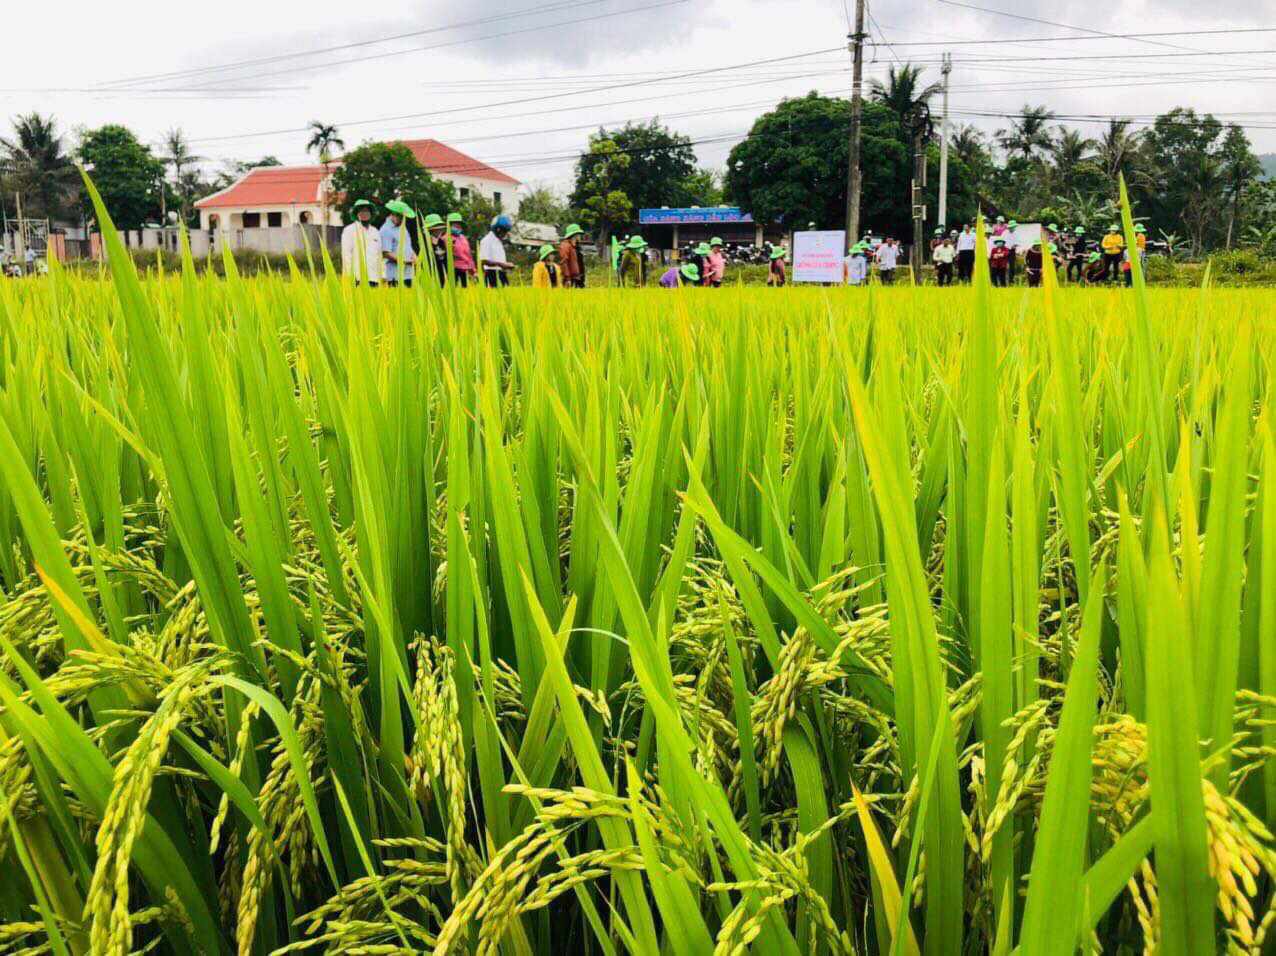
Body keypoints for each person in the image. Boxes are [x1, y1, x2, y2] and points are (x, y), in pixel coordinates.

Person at [341, 199, 382, 286]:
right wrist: (350, 274)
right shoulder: (349, 230)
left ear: (371, 213)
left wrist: (382, 275)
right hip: (357, 277)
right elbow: (346, 254)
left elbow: (379, 255)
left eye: (366, 211)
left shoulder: (375, 232)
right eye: (361, 211)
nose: (364, 214)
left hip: (373, 277)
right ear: (356, 214)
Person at [379, 200, 416, 288]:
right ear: (394, 214)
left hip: (409, 273)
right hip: (394, 275)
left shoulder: (403, 227)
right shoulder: (385, 230)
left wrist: (414, 255)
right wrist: (403, 260)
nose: (403, 220)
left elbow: (407, 245)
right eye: (401, 217)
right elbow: (385, 253)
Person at [479, 214, 516, 288]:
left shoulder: (498, 242)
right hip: (491, 274)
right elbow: (484, 260)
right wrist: (502, 264)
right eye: (504, 231)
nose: (505, 234)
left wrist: (506, 264)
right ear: (497, 229)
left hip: (501, 274)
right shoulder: (487, 240)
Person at [447, 213, 476, 287]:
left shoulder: (463, 238)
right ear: (449, 225)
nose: (458, 227)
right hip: (453, 268)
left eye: (459, 225)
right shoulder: (446, 238)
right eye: (455, 225)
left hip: (464, 269)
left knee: (464, 289)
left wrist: (473, 269)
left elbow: (469, 254)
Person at [420, 214, 449, 286]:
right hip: (430, 276)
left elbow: (445, 259)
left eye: (439, 229)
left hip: (442, 276)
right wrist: (434, 245)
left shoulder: (441, 242)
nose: (438, 231)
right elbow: (427, 260)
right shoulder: (423, 242)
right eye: (435, 230)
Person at [559, 223, 585, 288]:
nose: (579, 236)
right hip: (570, 279)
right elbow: (564, 263)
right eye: (578, 234)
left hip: (578, 278)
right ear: (574, 235)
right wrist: (567, 278)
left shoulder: (576, 247)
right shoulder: (565, 246)